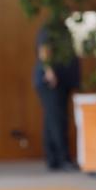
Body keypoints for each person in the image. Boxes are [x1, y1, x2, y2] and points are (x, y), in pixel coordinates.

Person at [34, 22, 80, 171]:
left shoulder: (63, 28)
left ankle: (53, 158)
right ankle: (62, 158)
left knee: (52, 120)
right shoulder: (51, 28)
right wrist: (49, 71)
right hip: (51, 82)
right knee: (57, 120)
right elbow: (44, 49)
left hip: (61, 81)